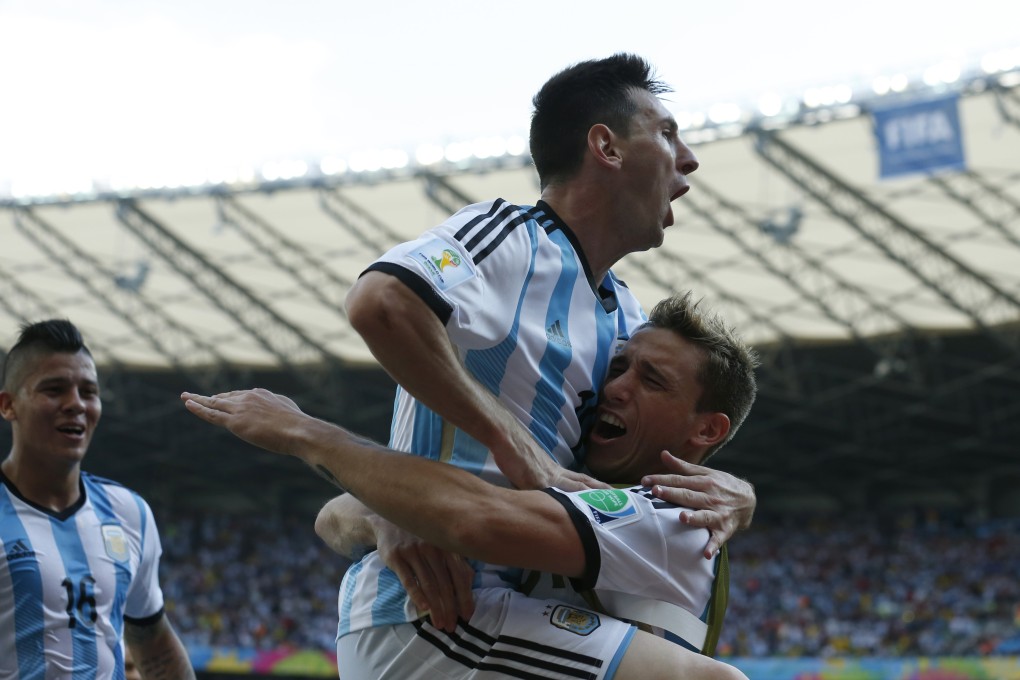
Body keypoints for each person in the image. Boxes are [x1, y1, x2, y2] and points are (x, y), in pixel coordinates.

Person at [321, 52, 757, 636]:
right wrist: (510, 441)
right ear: (606, 147)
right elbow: (380, 302)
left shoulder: (628, 319)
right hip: (435, 609)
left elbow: (664, 435)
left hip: (526, 607)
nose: (688, 158)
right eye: (666, 133)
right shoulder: (510, 239)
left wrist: (739, 494)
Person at [182, 291, 759, 680]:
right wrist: (384, 517)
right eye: (618, 368)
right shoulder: (575, 484)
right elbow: (333, 515)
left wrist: (307, 434)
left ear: (707, 429)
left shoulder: (675, 517)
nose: (615, 389)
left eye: (651, 381)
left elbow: (471, 519)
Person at [0, 319, 195, 680]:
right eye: (54, 390)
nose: (76, 404)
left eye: (88, 392)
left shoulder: (129, 513)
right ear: (9, 405)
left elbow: (154, 643)